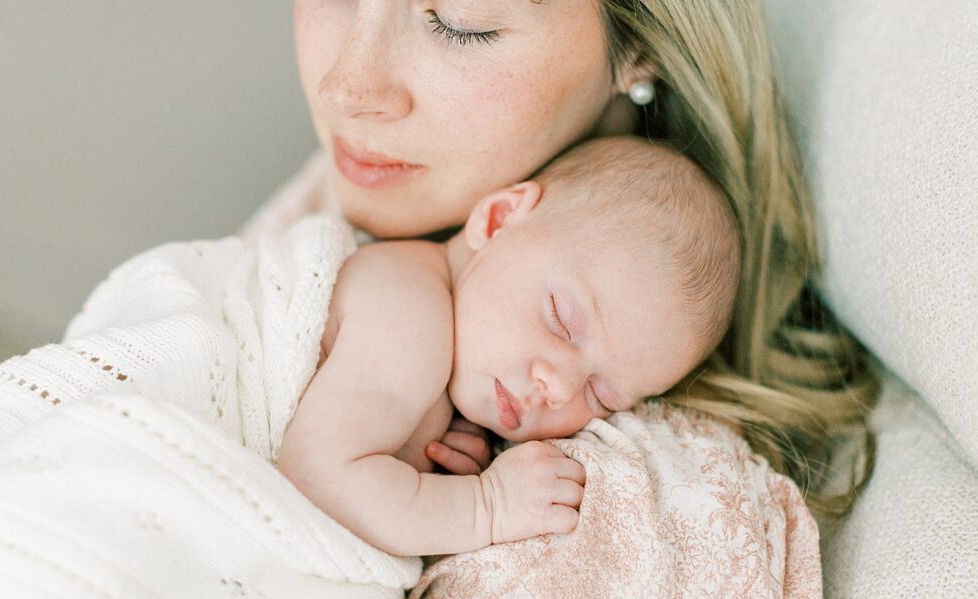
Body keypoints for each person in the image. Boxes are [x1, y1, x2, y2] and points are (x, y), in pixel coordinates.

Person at [287, 0, 878, 514]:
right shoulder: (329, 206)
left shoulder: (629, 496)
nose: (345, 88)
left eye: (461, 22)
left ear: (641, 41)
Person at [277, 136, 741, 556]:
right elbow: (315, 479)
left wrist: (422, 464)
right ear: (499, 220)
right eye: (561, 320)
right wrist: (485, 506)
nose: (557, 389)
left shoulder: (447, 357)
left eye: (601, 396)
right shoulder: (408, 310)